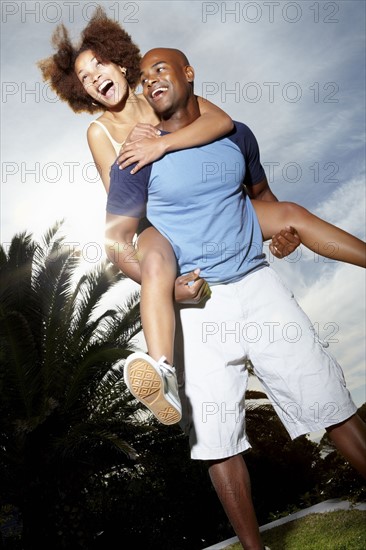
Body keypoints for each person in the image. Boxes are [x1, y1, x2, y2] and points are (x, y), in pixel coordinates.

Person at [105, 47, 366, 550]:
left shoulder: (234, 133)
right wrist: (160, 282)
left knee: (333, 404)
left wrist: (282, 235)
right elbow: (118, 243)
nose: (151, 79)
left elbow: (265, 200)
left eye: (161, 68)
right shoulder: (134, 156)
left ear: (188, 73)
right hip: (199, 305)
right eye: (143, 76)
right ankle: (254, 548)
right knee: (217, 441)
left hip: (257, 283)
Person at [38, 7, 303, 426]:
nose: (94, 78)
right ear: (83, 93)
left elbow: (220, 121)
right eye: (85, 78)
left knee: (291, 216)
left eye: (99, 65)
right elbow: (124, 200)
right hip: (154, 221)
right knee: (157, 257)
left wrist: (162, 143)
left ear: (122, 62)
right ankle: (162, 370)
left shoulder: (161, 91)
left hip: (207, 210)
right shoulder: (99, 132)